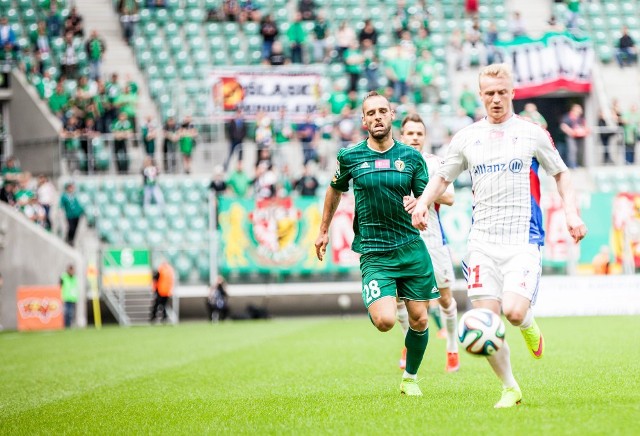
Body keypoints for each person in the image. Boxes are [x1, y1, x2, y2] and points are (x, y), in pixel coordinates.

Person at [411, 63, 587, 408]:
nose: (495, 99)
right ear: (480, 95)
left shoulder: (532, 132)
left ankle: (529, 323)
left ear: (512, 93)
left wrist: (571, 212)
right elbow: (442, 178)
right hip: (481, 243)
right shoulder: (466, 137)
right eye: (488, 93)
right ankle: (510, 388)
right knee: (485, 320)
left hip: (522, 239)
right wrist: (422, 204)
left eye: (501, 92)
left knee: (515, 312)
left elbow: (561, 173)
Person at [315, 91, 439, 396]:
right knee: (384, 321)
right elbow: (334, 190)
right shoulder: (350, 157)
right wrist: (323, 230)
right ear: (363, 120)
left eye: (382, 111)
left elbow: (425, 197)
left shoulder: (411, 157)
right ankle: (386, 298)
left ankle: (410, 378)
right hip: (374, 252)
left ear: (392, 115)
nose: (377, 117)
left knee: (420, 319)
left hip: (411, 247)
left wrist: (420, 208)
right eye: (371, 113)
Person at [397, 114, 459, 373]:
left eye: (419, 134)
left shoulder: (436, 164)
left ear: (425, 137)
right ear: (402, 136)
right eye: (410, 133)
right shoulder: (393, 163)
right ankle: (408, 344)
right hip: (401, 239)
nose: (414, 137)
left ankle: (453, 348)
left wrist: (422, 197)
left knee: (445, 299)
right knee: (401, 301)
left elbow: (450, 198)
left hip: (433, 240)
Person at [560, 103, 589, 168]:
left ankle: (578, 164)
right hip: (572, 137)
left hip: (580, 137)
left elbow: (584, 126)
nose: (581, 110)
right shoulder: (568, 117)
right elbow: (563, 126)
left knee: (579, 151)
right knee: (572, 150)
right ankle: (572, 164)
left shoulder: (580, 118)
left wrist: (586, 131)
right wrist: (571, 132)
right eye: (579, 109)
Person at [59, 181, 84, 246]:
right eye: (70, 187)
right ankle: (68, 238)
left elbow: (77, 204)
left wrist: (81, 211)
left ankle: (72, 239)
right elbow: (61, 205)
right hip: (69, 215)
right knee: (71, 227)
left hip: (76, 214)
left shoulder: (74, 196)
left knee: (75, 228)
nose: (72, 189)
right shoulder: (64, 196)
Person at [60, 264, 79, 328]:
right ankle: (66, 325)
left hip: (73, 298)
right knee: (67, 312)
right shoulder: (64, 277)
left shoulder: (75, 278)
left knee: (71, 313)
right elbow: (60, 285)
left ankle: (70, 325)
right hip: (66, 297)